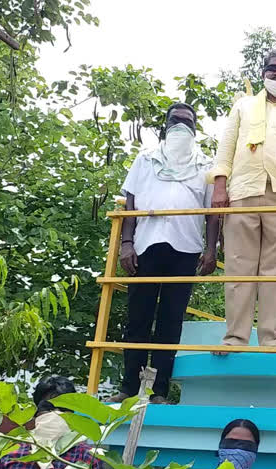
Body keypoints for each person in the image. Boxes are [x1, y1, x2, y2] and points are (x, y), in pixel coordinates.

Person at [210, 49, 276, 350]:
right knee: (238, 269)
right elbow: (226, 148)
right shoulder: (243, 106)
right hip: (244, 193)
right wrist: (220, 187)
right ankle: (235, 339)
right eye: (273, 69)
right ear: (263, 72)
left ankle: (272, 341)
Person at [109, 103, 219, 404]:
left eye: (188, 122)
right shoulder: (145, 160)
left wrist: (211, 249)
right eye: (176, 121)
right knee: (138, 318)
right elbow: (130, 204)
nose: (181, 127)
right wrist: (127, 243)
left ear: (195, 130)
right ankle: (129, 387)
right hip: (146, 245)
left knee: (171, 320)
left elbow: (212, 214)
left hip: (185, 248)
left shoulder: (205, 165)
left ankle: (158, 391)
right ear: (165, 126)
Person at [0, 376, 108, 469]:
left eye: (62, 409)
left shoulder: (87, 460)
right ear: (36, 411)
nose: (55, 415)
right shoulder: (10, 452)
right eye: (48, 408)